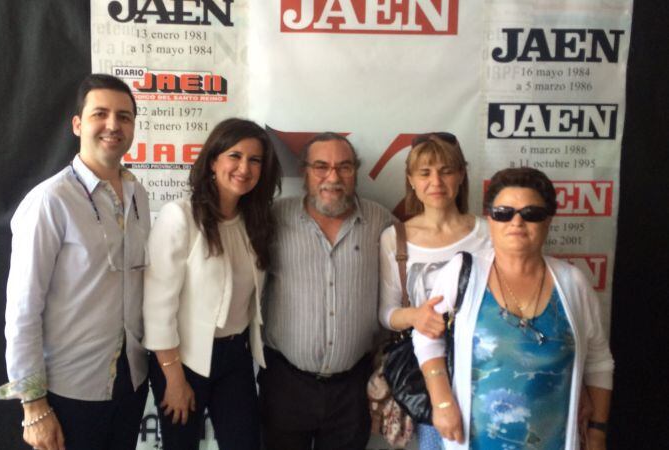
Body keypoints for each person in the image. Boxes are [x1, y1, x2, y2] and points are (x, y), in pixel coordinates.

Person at [0, 74, 151, 450]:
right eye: (101, 114)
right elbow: (22, 310)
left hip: (129, 383)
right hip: (69, 393)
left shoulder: (137, 194)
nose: (113, 125)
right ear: (78, 124)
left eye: (124, 117)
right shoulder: (51, 201)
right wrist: (34, 407)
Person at [414, 167, 614, 449]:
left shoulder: (573, 283)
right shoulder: (463, 273)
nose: (516, 222)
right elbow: (425, 337)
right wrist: (442, 402)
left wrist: (597, 432)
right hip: (475, 440)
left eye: (531, 213)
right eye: (504, 212)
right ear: (490, 219)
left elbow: (599, 361)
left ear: (548, 221)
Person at [142, 118, 282, 450]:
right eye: (235, 156)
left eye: (255, 160)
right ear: (213, 161)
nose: (244, 167)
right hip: (181, 360)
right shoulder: (180, 216)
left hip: (235, 357)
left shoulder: (256, 221)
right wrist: (174, 379)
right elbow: (157, 307)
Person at [259, 132, 396, 450]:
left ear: (355, 173)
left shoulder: (381, 222)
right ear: (304, 172)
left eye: (344, 167)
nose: (332, 177)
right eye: (321, 166)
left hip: (353, 388)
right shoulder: (274, 219)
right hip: (284, 384)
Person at [378, 132, 491, 449]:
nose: (436, 181)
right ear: (411, 180)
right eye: (425, 173)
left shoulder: (489, 232)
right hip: (426, 372)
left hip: (484, 367)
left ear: (461, 175)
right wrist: (416, 316)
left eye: (446, 171)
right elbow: (385, 313)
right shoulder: (395, 237)